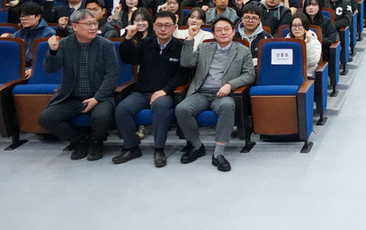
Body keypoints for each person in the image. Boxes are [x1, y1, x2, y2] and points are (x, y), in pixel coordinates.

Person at [37, 9, 119, 161]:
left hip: (99, 96)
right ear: (75, 27)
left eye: (95, 23)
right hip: (71, 96)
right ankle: (79, 140)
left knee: (102, 116)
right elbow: (50, 69)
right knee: (46, 118)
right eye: (88, 24)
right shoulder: (64, 44)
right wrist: (53, 52)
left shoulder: (105, 45)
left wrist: (97, 98)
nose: (93, 27)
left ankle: (96, 143)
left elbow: (112, 76)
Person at [176, 17, 256, 172]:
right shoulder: (204, 48)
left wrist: (230, 85)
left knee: (227, 106)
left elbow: (249, 75)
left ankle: (218, 153)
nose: (223, 33)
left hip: (223, 94)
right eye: (218, 30)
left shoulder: (243, 51)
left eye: (227, 29)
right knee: (182, 109)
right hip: (201, 92)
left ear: (233, 32)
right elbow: (186, 63)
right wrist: (191, 38)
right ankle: (197, 146)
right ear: (213, 34)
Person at [111, 11, 188, 167]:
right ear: (154, 26)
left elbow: (182, 75)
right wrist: (128, 39)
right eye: (159, 25)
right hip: (142, 91)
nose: (163, 29)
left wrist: (165, 90)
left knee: (160, 107)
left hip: (165, 93)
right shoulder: (146, 43)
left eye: (167, 25)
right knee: (122, 109)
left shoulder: (180, 47)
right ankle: (131, 147)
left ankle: (159, 149)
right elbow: (129, 59)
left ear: (174, 27)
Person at [0, 1, 56, 77]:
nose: (23, 19)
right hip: (18, 70)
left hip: (38, 70)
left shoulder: (49, 34)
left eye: (27, 16)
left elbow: (51, 59)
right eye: (22, 16)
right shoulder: (18, 33)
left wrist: (35, 69)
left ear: (38, 17)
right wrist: (4, 40)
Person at [287, 12, 322, 79]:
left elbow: (311, 63)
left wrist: (308, 42)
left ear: (305, 27)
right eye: (294, 25)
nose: (297, 28)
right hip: (290, 73)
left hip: (308, 74)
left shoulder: (314, 42)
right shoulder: (285, 41)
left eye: (300, 25)